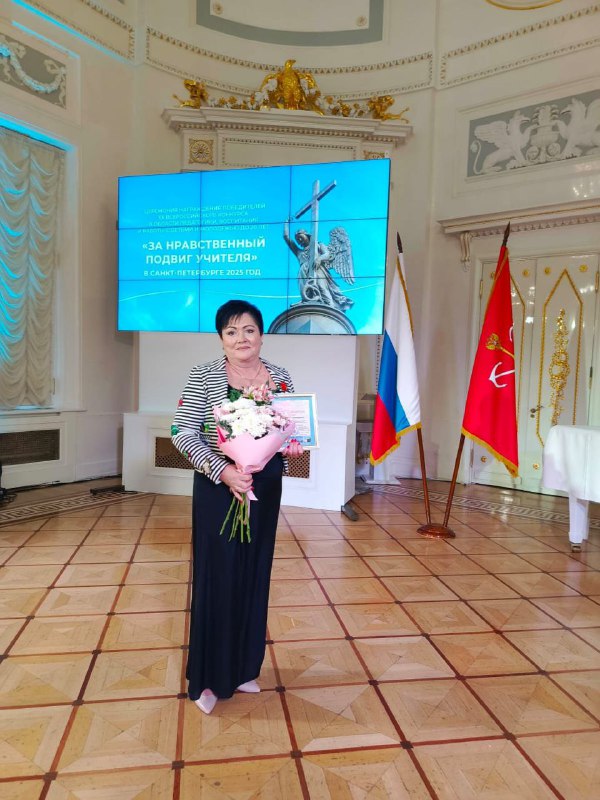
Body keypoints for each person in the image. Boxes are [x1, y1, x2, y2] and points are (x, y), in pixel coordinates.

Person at [171, 299, 303, 715]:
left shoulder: (281, 376)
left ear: (261, 335)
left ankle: (244, 667)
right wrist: (223, 471)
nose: (241, 338)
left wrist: (292, 444)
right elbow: (182, 432)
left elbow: (289, 429)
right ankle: (208, 679)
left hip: (264, 486)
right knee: (218, 575)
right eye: (231, 331)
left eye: (249, 330)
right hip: (219, 488)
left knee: (253, 571)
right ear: (221, 339)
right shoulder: (203, 375)